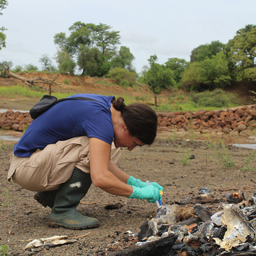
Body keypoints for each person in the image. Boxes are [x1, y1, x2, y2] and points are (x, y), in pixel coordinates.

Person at [7, 93, 163, 230]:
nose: (130, 148)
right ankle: (63, 211)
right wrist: (138, 193)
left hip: (36, 162)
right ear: (126, 128)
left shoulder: (106, 108)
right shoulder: (101, 121)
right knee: (91, 147)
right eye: (135, 143)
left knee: (106, 148)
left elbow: (103, 162)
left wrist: (136, 183)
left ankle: (52, 196)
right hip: (25, 167)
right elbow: (100, 177)